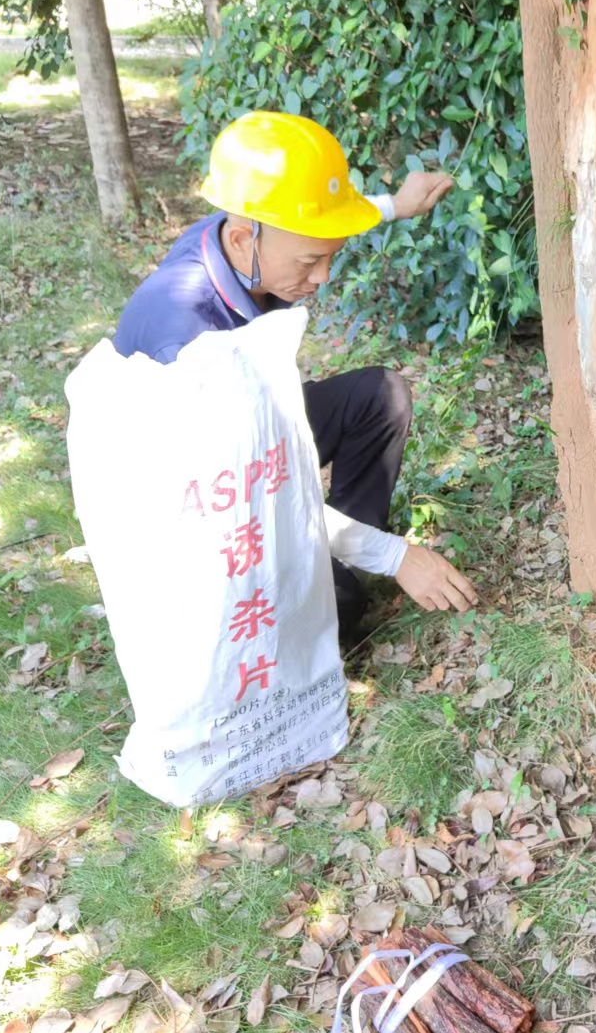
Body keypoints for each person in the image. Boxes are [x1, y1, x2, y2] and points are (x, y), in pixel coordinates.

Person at [114, 110, 477, 646]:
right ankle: (328, 584)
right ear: (243, 240)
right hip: (195, 505)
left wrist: (396, 205)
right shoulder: (188, 339)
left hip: (244, 434)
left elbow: (305, 225)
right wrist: (396, 555)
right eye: (310, 260)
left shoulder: (230, 235)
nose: (323, 276)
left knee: (379, 397)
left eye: (330, 256)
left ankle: (336, 568)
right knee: (320, 621)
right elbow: (251, 494)